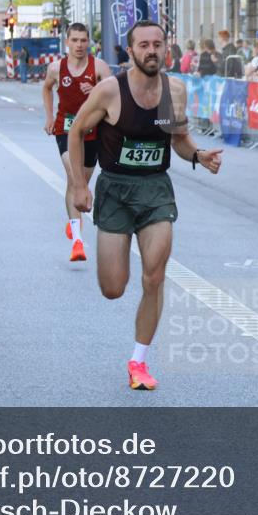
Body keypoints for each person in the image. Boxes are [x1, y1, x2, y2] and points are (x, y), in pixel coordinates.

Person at [67, 20, 222, 391]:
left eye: (158, 44)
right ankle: (130, 324)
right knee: (113, 288)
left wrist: (198, 156)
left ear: (166, 48)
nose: (152, 50)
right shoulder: (109, 92)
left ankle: (139, 360)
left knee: (154, 276)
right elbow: (76, 131)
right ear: (131, 50)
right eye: (144, 45)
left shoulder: (175, 90)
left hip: (155, 190)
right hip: (116, 189)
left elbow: (178, 140)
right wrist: (78, 185)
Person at [42, 22, 113, 262]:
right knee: (75, 178)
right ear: (67, 42)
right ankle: (77, 241)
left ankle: (72, 224)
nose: (79, 45)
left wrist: (95, 89)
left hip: (92, 130)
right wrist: (50, 116)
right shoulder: (56, 68)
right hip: (66, 128)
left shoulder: (99, 67)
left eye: (84, 40)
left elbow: (114, 96)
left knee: (79, 184)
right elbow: (46, 89)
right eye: (75, 40)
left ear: (89, 43)